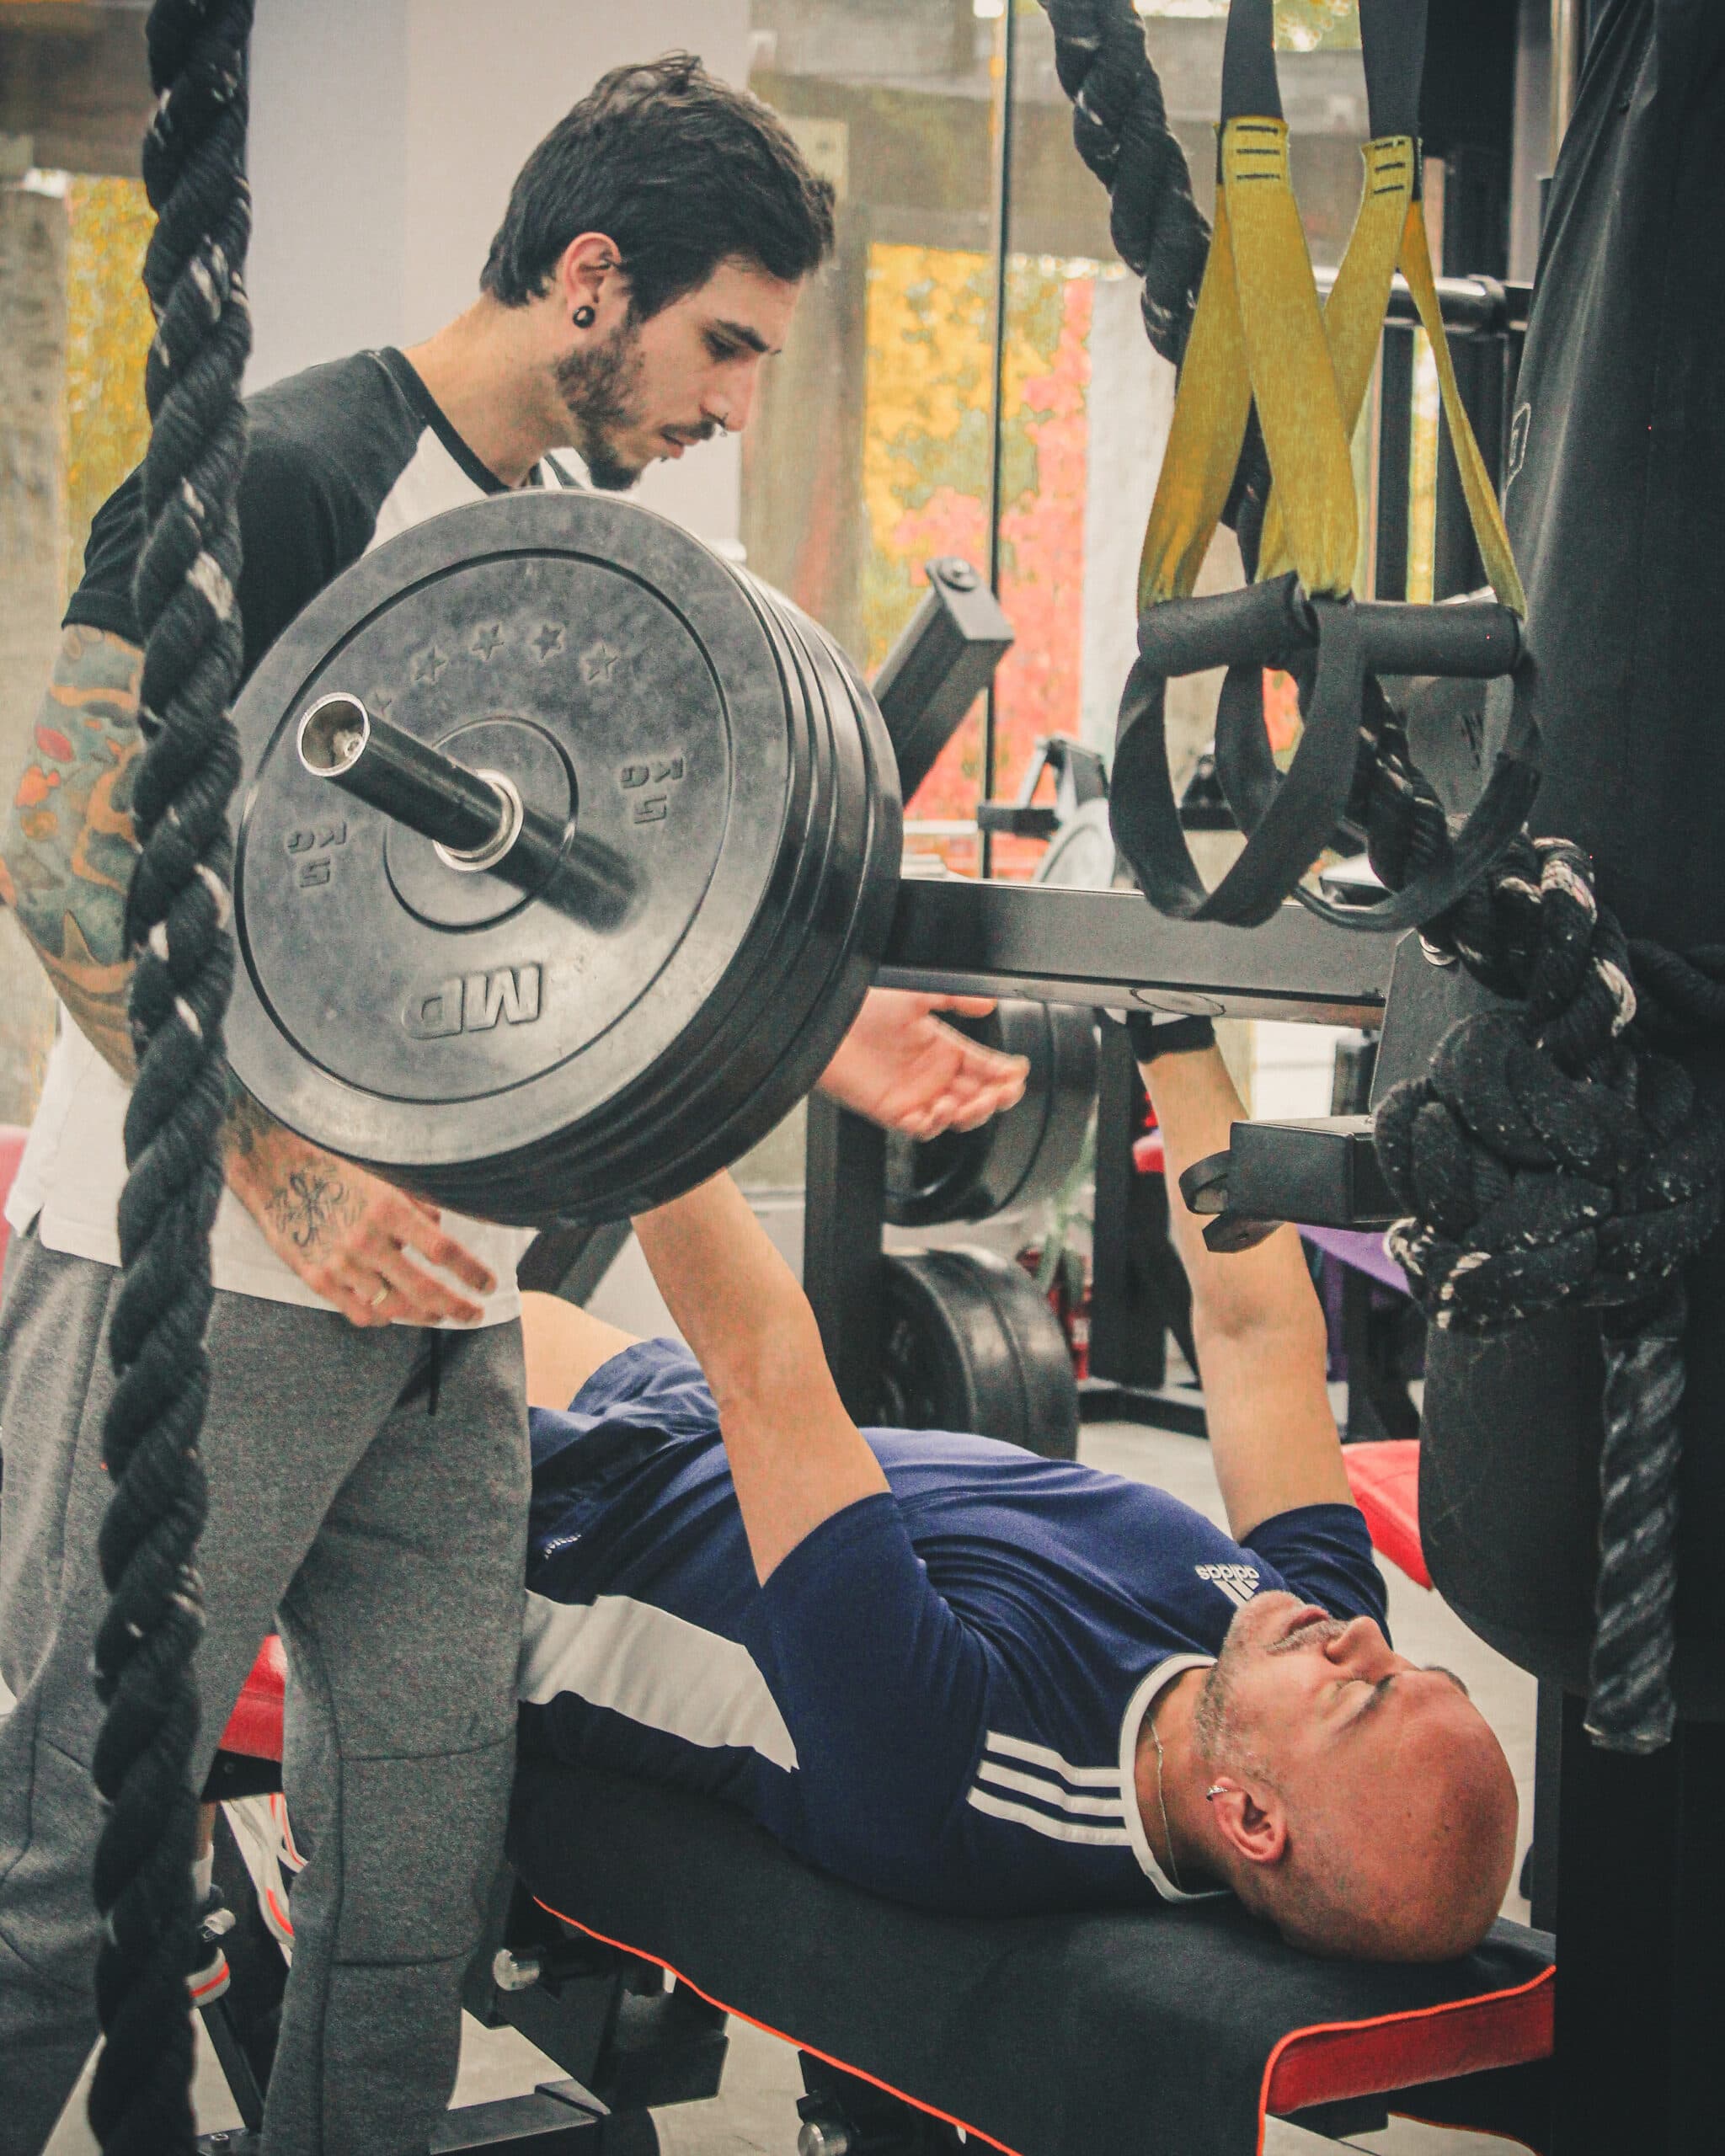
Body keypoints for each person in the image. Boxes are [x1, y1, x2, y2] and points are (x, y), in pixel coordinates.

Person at [0, 55, 1024, 2156]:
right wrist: (277, 1170)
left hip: (450, 1318)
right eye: (723, 341)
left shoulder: (562, 562)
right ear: (588, 282)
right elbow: (55, 840)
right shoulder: (283, 468)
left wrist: (820, 1043)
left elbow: (596, 924)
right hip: (201, 1279)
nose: (736, 400)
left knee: (408, 1902)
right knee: (51, 1884)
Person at [517, 1021, 1520, 1962]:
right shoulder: (1295, 1643)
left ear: (1247, 1817)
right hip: (681, 1427)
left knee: (384, 1278)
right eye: (1415, 1668)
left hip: (563, 1533)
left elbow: (761, 1359)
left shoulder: (950, 1771)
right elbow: (1257, 1339)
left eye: (1362, 1691)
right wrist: (1170, 1023)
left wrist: (648, 1032)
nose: (1360, 1636)